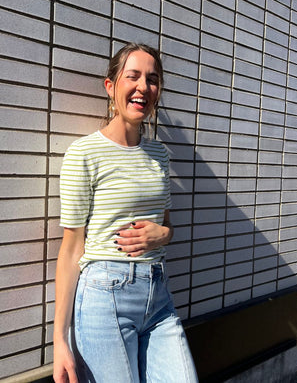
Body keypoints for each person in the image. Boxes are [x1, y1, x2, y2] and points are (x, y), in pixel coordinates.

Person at [53, 43, 198, 382]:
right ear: (111, 86)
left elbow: (165, 225)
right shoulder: (84, 153)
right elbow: (72, 247)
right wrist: (59, 338)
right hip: (106, 295)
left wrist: (165, 234)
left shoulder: (159, 154)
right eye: (132, 76)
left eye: (152, 79)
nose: (143, 87)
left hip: (158, 294)